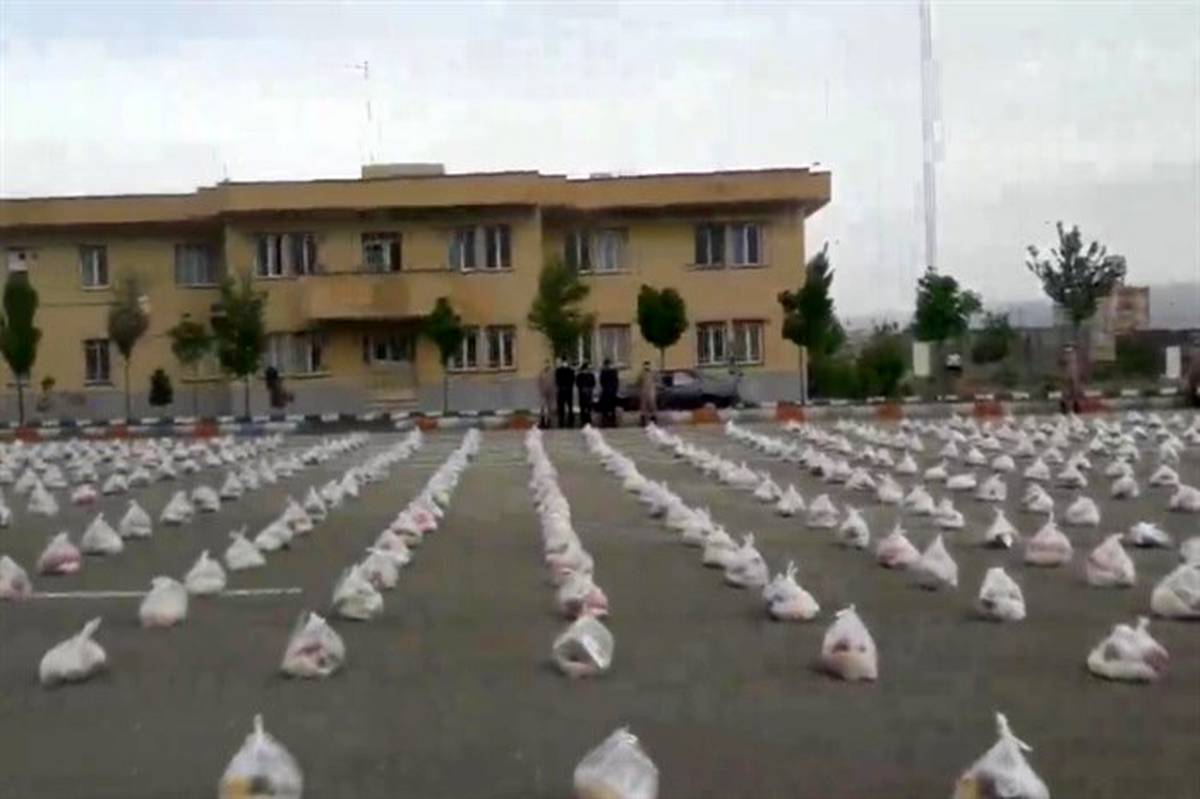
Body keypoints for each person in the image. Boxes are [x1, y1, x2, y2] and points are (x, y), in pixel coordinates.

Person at [555, 358, 575, 429]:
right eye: (564, 362)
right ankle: (561, 419)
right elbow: (557, 380)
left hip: (568, 390)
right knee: (561, 406)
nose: (565, 364)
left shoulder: (570, 370)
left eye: (566, 362)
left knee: (570, 405)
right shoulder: (558, 371)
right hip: (562, 390)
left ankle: (570, 418)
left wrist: (569, 387)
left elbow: (572, 380)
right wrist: (561, 387)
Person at [598, 358, 620, 427]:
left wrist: (613, 388)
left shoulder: (607, 372)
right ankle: (609, 416)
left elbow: (602, 381)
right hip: (609, 390)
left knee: (609, 404)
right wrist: (614, 389)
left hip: (608, 390)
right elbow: (616, 382)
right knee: (609, 404)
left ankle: (608, 416)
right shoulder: (610, 371)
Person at [1061, 344, 1082, 414]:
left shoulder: (1066, 355)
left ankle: (1071, 406)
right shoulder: (1072, 355)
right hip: (1071, 375)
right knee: (1070, 391)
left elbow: (1062, 362)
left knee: (1070, 391)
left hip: (1069, 375)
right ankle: (1069, 406)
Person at [575, 361, 596, 427]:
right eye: (587, 368)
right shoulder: (580, 375)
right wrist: (584, 388)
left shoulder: (590, 375)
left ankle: (587, 417)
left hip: (587, 392)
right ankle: (584, 417)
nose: (588, 370)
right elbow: (578, 384)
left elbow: (593, 383)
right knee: (583, 405)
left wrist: (589, 388)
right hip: (583, 392)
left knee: (587, 405)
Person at [637, 360, 657, 426]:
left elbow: (656, 380)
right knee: (643, 406)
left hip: (651, 391)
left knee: (652, 404)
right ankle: (643, 419)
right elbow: (638, 382)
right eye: (646, 365)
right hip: (644, 391)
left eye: (648, 365)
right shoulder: (641, 373)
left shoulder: (653, 373)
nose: (647, 366)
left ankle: (653, 418)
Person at [537, 360, 555, 428]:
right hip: (543, 393)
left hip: (550, 393)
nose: (546, 365)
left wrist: (552, 391)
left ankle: (549, 422)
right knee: (542, 407)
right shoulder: (541, 372)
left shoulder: (552, 373)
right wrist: (541, 390)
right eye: (545, 364)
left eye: (547, 364)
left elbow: (553, 383)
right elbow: (539, 382)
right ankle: (542, 421)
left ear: (549, 364)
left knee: (549, 408)